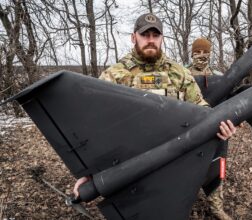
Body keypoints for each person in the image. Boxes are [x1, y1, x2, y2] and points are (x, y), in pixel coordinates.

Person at [72, 12, 237, 213]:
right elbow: (96, 128)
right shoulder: (113, 76)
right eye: (145, 35)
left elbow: (201, 110)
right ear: (134, 37)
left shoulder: (180, 74)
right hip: (131, 166)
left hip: (171, 166)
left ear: (162, 38)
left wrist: (219, 127)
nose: (150, 40)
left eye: (155, 35)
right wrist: (90, 172)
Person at [187, 38, 232, 220]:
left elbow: (230, 103)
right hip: (190, 131)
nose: (201, 55)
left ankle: (216, 206)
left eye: (204, 52)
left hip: (217, 134)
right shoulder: (183, 74)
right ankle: (186, 205)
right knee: (188, 170)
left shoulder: (220, 77)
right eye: (197, 52)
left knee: (217, 168)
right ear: (191, 53)